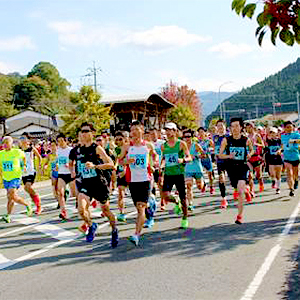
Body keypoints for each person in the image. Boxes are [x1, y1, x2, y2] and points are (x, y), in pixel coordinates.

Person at [70, 122, 118, 246]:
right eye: (82, 131)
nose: (83, 133)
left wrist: (95, 166)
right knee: (81, 210)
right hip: (86, 184)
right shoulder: (77, 150)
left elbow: (111, 165)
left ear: (92, 133)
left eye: (86, 131)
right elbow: (73, 164)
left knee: (106, 210)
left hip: (99, 184)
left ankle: (114, 229)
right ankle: (92, 225)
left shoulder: (96, 148)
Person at [124, 121, 157, 246]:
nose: (134, 132)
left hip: (145, 180)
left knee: (140, 207)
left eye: (136, 129)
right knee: (139, 208)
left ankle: (136, 235)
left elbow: (155, 156)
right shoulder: (127, 147)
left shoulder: (148, 145)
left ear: (142, 131)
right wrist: (127, 161)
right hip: (133, 181)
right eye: (132, 130)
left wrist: (154, 164)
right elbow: (120, 161)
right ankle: (151, 203)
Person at [219, 118, 254, 224]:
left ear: (241, 127)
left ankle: (239, 216)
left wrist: (249, 154)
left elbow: (252, 149)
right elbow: (220, 154)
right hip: (231, 168)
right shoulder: (226, 140)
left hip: (242, 167)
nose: (234, 128)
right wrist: (229, 155)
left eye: (236, 126)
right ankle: (246, 191)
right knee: (236, 187)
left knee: (240, 191)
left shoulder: (245, 139)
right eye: (232, 126)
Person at [160, 122, 192, 229]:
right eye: (166, 130)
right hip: (168, 174)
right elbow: (164, 159)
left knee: (183, 198)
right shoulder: (163, 146)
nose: (168, 132)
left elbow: (189, 158)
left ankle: (185, 219)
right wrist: (161, 166)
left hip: (179, 174)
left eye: (170, 130)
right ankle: (175, 201)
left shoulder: (181, 144)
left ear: (175, 131)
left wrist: (182, 160)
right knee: (165, 196)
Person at [0, 136, 33, 223]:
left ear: (11, 144)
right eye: (4, 143)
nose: (5, 145)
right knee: (10, 197)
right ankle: (8, 216)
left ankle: (27, 204)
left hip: (15, 177)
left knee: (13, 195)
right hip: (6, 178)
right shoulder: (1, 154)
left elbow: (24, 157)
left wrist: (24, 165)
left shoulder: (17, 152)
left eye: (7, 143)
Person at [19, 132, 42, 215]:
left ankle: (38, 205)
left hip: (31, 171)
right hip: (23, 173)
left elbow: (39, 157)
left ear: (28, 140)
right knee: (27, 189)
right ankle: (36, 204)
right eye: (21, 138)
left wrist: (39, 166)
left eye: (24, 138)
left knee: (27, 187)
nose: (22, 140)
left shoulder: (31, 148)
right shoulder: (19, 150)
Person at [182, 129, 204, 210]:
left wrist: (196, 156)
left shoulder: (196, 145)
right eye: (185, 137)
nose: (187, 138)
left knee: (199, 187)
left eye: (189, 136)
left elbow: (203, 155)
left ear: (192, 137)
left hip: (197, 169)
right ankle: (190, 204)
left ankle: (203, 184)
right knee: (189, 186)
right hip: (188, 169)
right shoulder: (182, 147)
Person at [56, 133, 76, 220]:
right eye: (58, 141)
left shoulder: (71, 150)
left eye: (61, 141)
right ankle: (63, 211)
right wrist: (57, 165)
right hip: (61, 174)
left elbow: (76, 161)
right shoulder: (58, 150)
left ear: (65, 141)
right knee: (60, 193)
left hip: (71, 173)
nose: (60, 143)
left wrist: (70, 164)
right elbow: (58, 160)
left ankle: (82, 202)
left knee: (75, 194)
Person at [245, 123, 265, 196]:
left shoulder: (257, 136)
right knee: (250, 175)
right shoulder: (245, 136)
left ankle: (261, 183)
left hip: (256, 157)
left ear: (253, 127)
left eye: (249, 127)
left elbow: (263, 145)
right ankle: (251, 190)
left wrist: (256, 144)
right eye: (247, 127)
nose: (248, 129)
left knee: (258, 175)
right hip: (249, 157)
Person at [280, 121, 300, 197]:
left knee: (295, 173)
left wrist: (293, 141)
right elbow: (282, 145)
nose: (289, 128)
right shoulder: (283, 136)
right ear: (284, 128)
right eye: (287, 127)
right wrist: (280, 150)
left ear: (293, 127)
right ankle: (291, 189)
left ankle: (296, 180)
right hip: (287, 157)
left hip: (295, 156)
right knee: (289, 173)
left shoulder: (296, 134)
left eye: (290, 127)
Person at [213, 119, 229, 208]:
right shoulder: (215, 137)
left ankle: (242, 189)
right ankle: (224, 199)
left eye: (221, 125)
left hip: (230, 160)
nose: (220, 127)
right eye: (218, 126)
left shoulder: (229, 136)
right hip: (220, 161)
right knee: (221, 179)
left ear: (225, 127)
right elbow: (214, 147)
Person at [149, 127, 165, 210]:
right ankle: (153, 201)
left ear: (157, 134)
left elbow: (165, 155)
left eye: (154, 133)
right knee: (152, 185)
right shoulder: (148, 144)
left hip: (160, 167)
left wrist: (161, 165)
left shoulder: (162, 143)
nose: (153, 135)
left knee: (160, 184)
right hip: (151, 168)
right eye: (151, 134)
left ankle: (162, 202)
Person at [114, 131, 129, 222]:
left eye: (121, 139)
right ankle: (121, 213)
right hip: (120, 173)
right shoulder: (116, 149)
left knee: (137, 196)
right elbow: (117, 160)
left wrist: (125, 170)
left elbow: (129, 161)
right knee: (120, 193)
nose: (119, 141)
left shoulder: (129, 148)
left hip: (131, 173)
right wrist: (115, 169)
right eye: (117, 139)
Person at [265, 127, 283, 194]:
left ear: (276, 134)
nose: (272, 134)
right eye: (271, 133)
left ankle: (278, 188)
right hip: (271, 159)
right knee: (272, 174)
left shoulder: (279, 140)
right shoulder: (268, 141)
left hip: (278, 158)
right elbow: (265, 146)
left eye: (273, 133)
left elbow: (282, 147)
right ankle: (273, 180)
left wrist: (280, 150)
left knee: (278, 175)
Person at [197, 127, 215, 194]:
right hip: (200, 160)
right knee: (201, 174)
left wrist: (209, 150)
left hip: (208, 159)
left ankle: (211, 187)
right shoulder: (197, 142)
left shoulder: (208, 141)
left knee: (210, 175)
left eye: (202, 131)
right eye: (199, 132)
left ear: (205, 132)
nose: (201, 133)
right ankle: (204, 184)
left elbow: (214, 148)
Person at [43, 140, 59, 205]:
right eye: (51, 146)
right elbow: (46, 162)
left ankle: (63, 195)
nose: (52, 147)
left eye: (53, 145)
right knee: (54, 186)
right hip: (53, 172)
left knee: (59, 187)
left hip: (60, 172)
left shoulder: (59, 153)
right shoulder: (49, 155)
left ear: (56, 146)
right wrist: (45, 166)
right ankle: (58, 200)